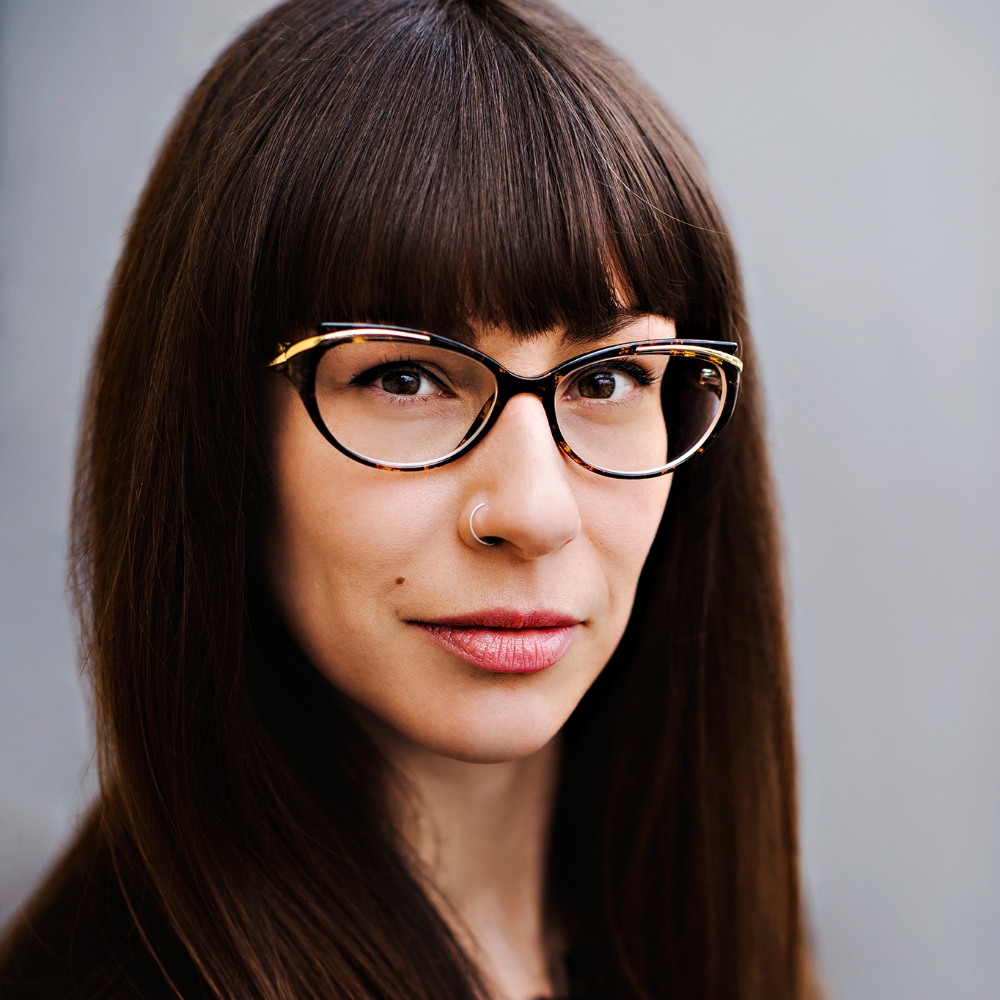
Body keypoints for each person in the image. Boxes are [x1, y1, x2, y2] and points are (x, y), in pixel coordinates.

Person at [0, 0, 816, 997]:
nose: (534, 510)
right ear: (216, 433)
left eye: (605, 380)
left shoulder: (717, 940)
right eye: (404, 378)